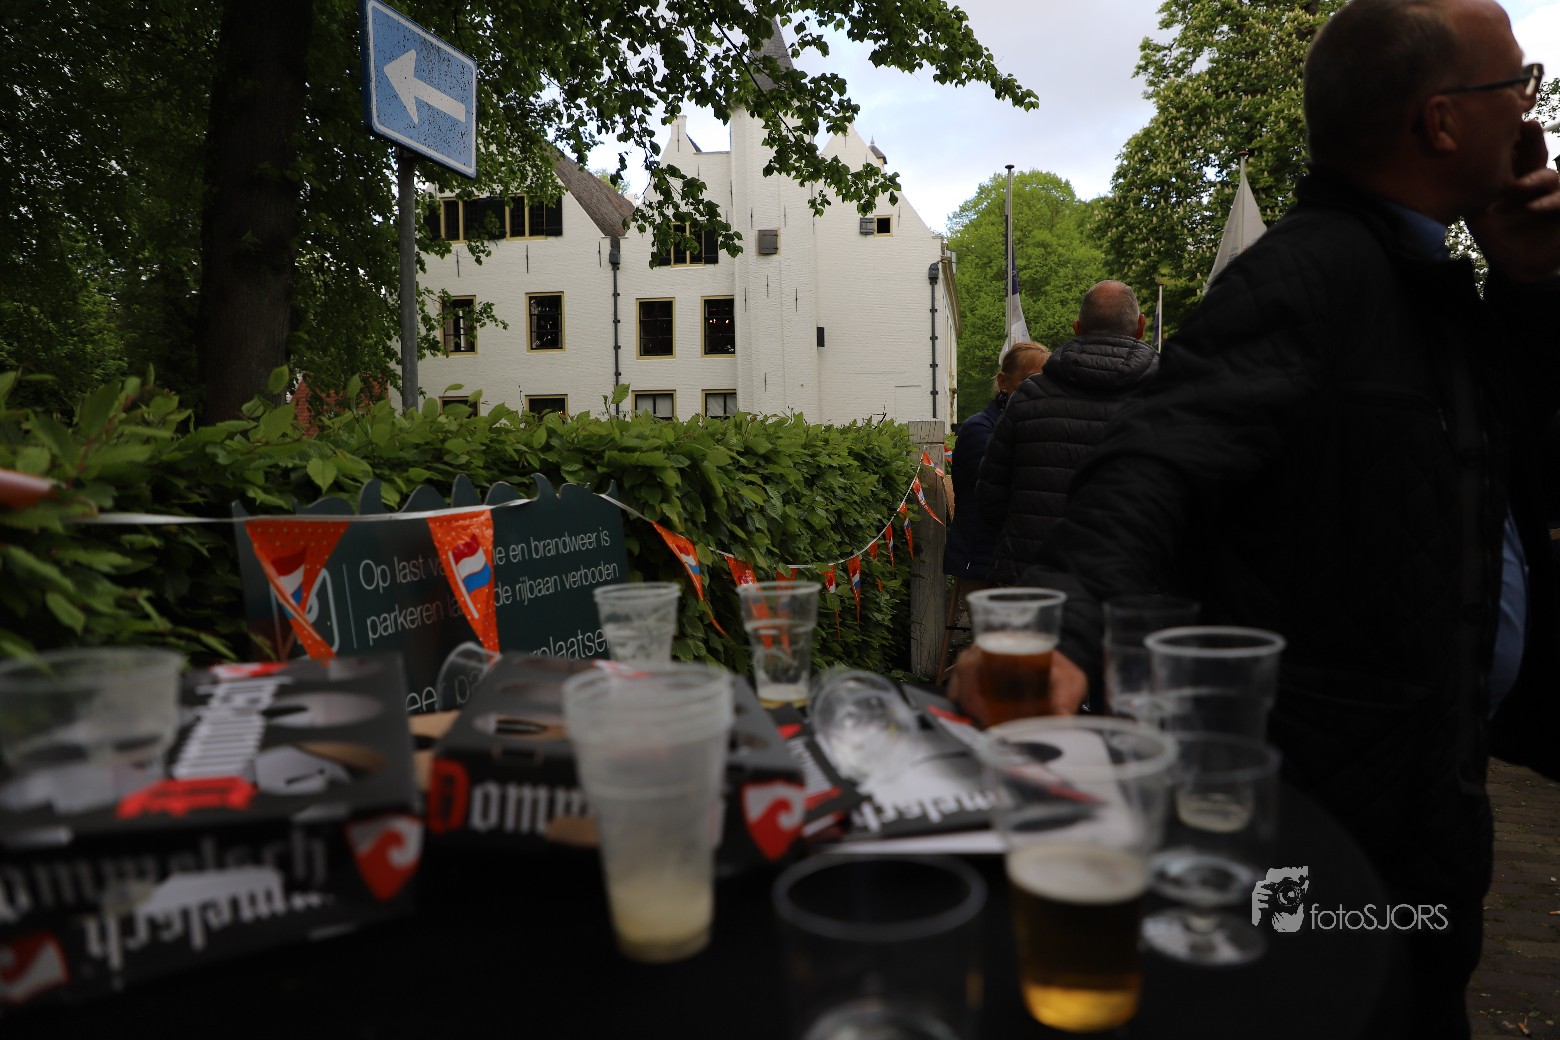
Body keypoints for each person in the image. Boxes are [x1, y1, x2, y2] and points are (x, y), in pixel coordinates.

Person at [954, 0, 1560, 1034]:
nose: (1533, 115)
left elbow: (1518, 464)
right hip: (1340, 825)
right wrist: (1065, 627)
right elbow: (1155, 458)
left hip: (1430, 804)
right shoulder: (1306, 276)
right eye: (1520, 85)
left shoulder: (1441, 288)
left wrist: (1530, 286)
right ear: (1442, 121)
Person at [976, 280, 1159, 590]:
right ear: (1140, 326)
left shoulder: (1028, 398)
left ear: (1077, 328)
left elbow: (990, 497)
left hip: (1035, 582)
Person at [943, 341, 1051, 584]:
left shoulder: (1038, 426)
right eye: (1031, 381)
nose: (1041, 389)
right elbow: (994, 497)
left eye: (1047, 381)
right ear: (1004, 382)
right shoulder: (979, 429)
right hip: (985, 559)